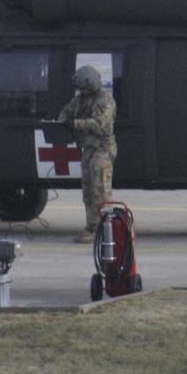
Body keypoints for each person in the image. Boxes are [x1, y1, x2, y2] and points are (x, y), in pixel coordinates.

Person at [57, 66, 117, 244]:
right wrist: (62, 121)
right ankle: (91, 226)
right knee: (88, 191)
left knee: (101, 191)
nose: (81, 91)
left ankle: (104, 228)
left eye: (83, 87)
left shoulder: (105, 101)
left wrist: (74, 123)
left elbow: (97, 123)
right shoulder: (81, 100)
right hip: (88, 150)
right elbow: (67, 111)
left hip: (102, 150)